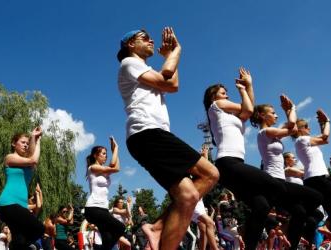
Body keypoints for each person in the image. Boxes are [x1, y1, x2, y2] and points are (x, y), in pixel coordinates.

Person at [117, 27, 219, 250]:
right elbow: (165, 76)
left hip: (151, 135)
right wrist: (176, 51)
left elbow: (172, 85)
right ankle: (156, 227)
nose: (151, 40)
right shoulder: (129, 63)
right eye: (144, 38)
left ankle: (156, 229)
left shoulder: (144, 68)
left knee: (188, 195)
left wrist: (169, 57)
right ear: (130, 45)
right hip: (147, 133)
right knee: (210, 173)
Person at [203, 71, 287, 249]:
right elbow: (248, 109)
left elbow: (247, 111)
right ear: (213, 96)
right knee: (275, 185)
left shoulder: (231, 116)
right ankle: (243, 229)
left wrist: (249, 86)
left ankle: (249, 243)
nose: (225, 93)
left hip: (235, 165)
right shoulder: (216, 106)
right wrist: (244, 88)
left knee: (262, 206)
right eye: (222, 91)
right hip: (227, 162)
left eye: (226, 91)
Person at [250, 95, 323, 249]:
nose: (276, 115)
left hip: (280, 181)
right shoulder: (265, 132)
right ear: (263, 115)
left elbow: (293, 128)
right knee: (316, 196)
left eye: (277, 112)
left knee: (300, 212)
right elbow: (291, 125)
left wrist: (289, 111)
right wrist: (291, 109)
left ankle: (292, 246)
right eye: (273, 112)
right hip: (273, 180)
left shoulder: (274, 133)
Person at [293, 110, 331, 247]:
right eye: (307, 126)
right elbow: (325, 138)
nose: (309, 128)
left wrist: (322, 124)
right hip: (316, 178)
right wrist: (327, 121)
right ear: (301, 129)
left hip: (317, 179)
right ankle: (324, 228)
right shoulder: (301, 140)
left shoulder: (305, 142)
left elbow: (322, 138)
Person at [0, 127, 45, 249]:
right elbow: (33, 159)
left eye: (27, 144)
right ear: (14, 143)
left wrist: (35, 139)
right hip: (8, 204)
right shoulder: (9, 158)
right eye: (23, 142)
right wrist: (36, 140)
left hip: (21, 205)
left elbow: (31, 156)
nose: (26, 145)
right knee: (39, 228)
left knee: (20, 239)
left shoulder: (28, 165)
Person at [84, 137, 126, 250]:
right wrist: (116, 148)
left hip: (103, 209)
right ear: (95, 155)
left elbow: (116, 166)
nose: (105, 156)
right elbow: (114, 165)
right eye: (103, 153)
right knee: (121, 228)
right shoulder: (93, 168)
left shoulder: (104, 171)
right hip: (93, 208)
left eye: (106, 154)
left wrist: (115, 152)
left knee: (107, 239)